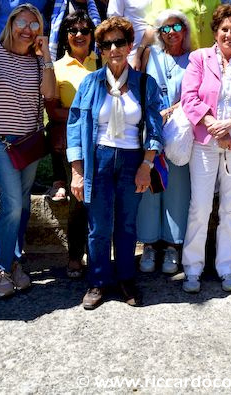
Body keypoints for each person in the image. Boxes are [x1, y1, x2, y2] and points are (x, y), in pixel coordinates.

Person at [67, 17, 164, 310]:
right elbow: (74, 125)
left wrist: (147, 165)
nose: (114, 49)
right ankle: (97, 281)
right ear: (101, 49)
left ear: (129, 44)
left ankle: (125, 279)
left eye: (119, 42)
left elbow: (154, 126)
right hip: (99, 158)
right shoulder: (90, 82)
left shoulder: (144, 83)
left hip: (132, 159)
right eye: (107, 44)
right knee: (98, 225)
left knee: (126, 223)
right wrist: (76, 171)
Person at [179, 5, 231, 294]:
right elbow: (188, 97)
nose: (229, 34)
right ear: (215, 32)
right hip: (205, 142)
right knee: (200, 207)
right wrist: (215, 126)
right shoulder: (199, 59)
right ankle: (192, 268)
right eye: (224, 29)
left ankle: (227, 267)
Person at [0, 5, 57, 298]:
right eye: (23, 22)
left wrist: (48, 56)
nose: (28, 29)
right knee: (12, 205)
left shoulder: (37, 62)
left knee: (22, 204)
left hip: (29, 141)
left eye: (35, 24)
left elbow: (50, 93)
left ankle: (14, 261)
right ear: (11, 23)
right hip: (0, 141)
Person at [137, 10, 194, 275]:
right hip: (150, 128)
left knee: (177, 186)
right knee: (150, 185)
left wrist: (172, 110)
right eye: (166, 28)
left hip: (179, 130)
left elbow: (198, 91)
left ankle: (173, 245)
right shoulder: (150, 55)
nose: (172, 33)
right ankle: (149, 244)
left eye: (177, 27)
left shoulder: (194, 59)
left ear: (186, 30)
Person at [46, 11, 99, 279]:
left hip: (102, 142)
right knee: (78, 201)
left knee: (100, 200)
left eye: (85, 30)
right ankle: (75, 256)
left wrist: (79, 111)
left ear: (92, 35)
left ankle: (98, 255)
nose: (79, 35)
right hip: (73, 143)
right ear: (66, 37)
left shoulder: (102, 62)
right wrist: (87, 113)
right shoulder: (57, 68)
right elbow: (53, 111)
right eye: (73, 31)